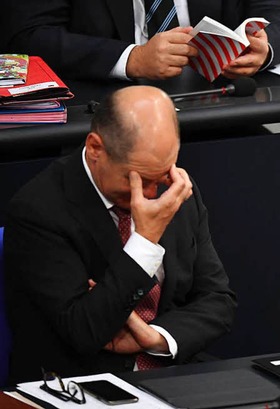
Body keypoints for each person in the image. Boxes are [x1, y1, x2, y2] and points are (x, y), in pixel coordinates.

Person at [3, 85, 237, 383]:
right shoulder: (39, 210)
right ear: (96, 148)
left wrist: (157, 338)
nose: (151, 194)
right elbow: (83, 332)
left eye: (161, 175)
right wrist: (144, 244)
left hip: (174, 370)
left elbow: (218, 299)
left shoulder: (175, 189)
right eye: (136, 179)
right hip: (80, 382)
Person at [2, 0, 280, 81]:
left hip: (215, 104)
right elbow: (28, 36)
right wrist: (130, 58)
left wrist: (264, 49)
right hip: (101, 117)